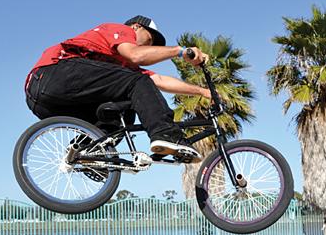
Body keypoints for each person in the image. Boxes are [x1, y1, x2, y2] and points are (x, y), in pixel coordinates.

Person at [24, 15, 211, 161]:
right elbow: (136, 56)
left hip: (46, 103)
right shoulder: (119, 30)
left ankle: (86, 154)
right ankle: (166, 134)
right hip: (53, 74)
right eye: (150, 39)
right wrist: (180, 51)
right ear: (137, 27)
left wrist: (203, 92)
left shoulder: (123, 69)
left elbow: (159, 80)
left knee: (123, 109)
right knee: (137, 81)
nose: (151, 45)